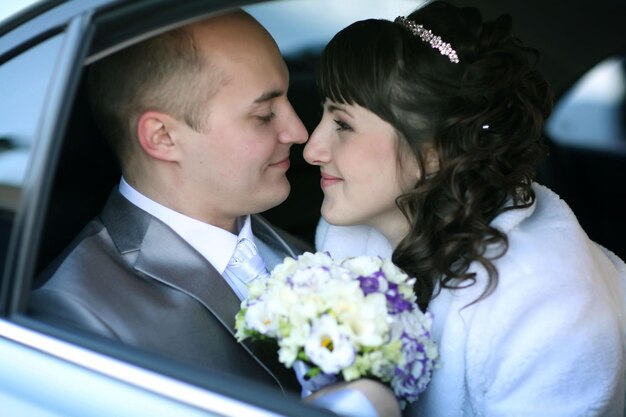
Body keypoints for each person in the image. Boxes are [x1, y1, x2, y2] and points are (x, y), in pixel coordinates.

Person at [28, 9, 400, 417]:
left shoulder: (316, 246)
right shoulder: (74, 317)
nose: (298, 132)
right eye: (263, 115)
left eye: (289, 99)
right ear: (163, 137)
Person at [303, 1, 626, 416]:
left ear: (435, 152)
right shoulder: (351, 234)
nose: (312, 149)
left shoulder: (550, 313)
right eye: (322, 115)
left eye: (343, 124)